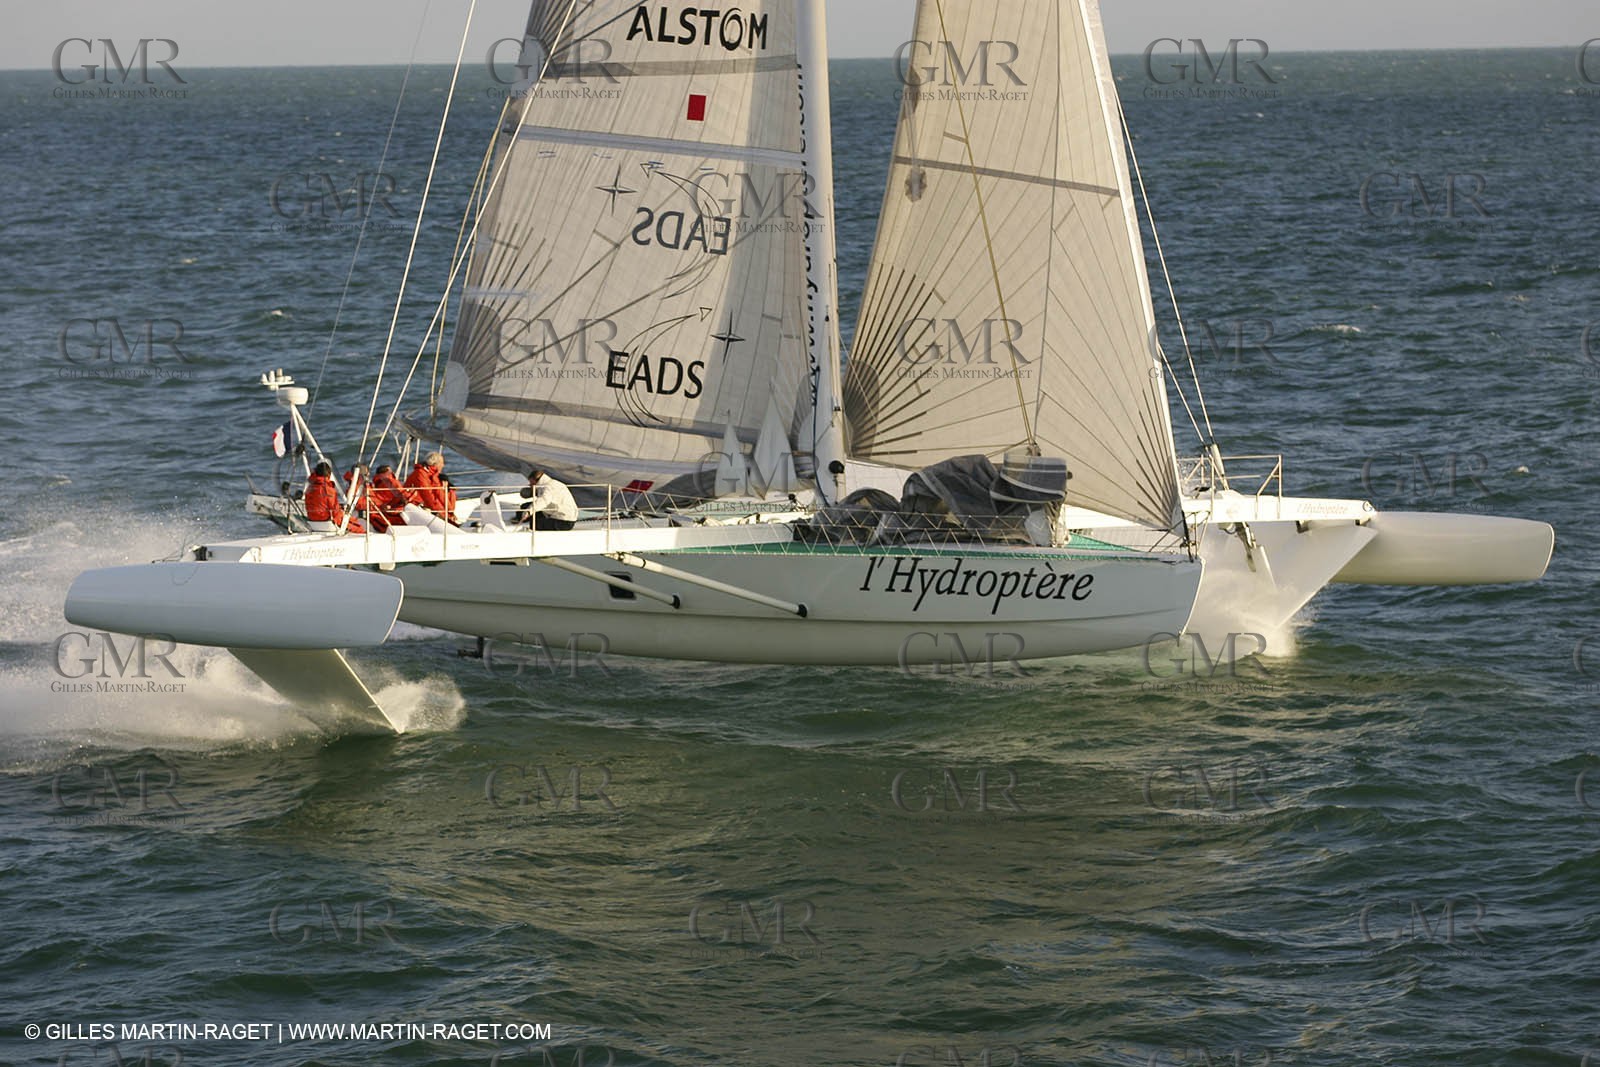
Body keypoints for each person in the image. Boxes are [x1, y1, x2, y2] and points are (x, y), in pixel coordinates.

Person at [304, 460, 364, 534]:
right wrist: (344, 514)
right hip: (327, 522)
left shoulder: (310, 488)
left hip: (312, 521)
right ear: (328, 474)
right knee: (358, 528)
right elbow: (335, 511)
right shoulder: (328, 489)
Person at [405, 451, 450, 521]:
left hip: (426, 506)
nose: (443, 465)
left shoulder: (432, 475)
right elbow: (427, 495)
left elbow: (436, 495)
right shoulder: (420, 474)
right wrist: (440, 512)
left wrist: (446, 512)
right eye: (441, 463)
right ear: (435, 464)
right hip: (415, 506)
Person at [369, 463, 409, 529]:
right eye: (390, 471)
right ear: (387, 472)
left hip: (385, 505)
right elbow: (401, 494)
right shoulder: (389, 481)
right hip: (392, 506)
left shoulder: (377, 481)